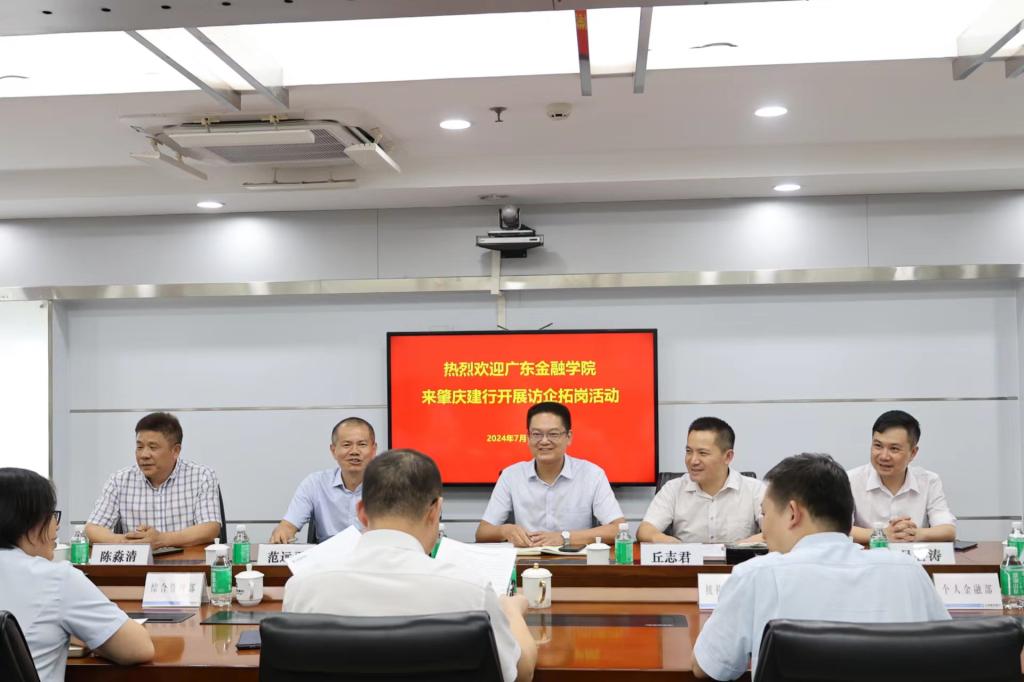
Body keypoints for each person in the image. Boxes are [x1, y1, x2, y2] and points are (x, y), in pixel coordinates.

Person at [283, 449, 536, 682]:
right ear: (435, 511)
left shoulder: (302, 588)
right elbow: (520, 674)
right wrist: (511, 611)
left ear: (362, 513)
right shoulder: (472, 591)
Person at [692, 453, 950, 680]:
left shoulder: (757, 575)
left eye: (765, 513)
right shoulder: (908, 572)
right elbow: (949, 654)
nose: (764, 528)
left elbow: (708, 667)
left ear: (792, 513)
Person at [0, 467, 154, 682]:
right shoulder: (56, 579)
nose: (57, 525)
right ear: (31, 524)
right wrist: (83, 635)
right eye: (51, 515)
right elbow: (138, 648)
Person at [475, 402, 625, 547]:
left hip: (575, 560)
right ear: (528, 437)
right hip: (526, 559)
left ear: (569, 437)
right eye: (536, 434)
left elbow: (618, 529)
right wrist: (505, 531)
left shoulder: (592, 475)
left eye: (553, 434)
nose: (544, 441)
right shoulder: (511, 476)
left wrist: (564, 537)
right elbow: (482, 532)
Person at [85, 412, 221, 548]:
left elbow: (210, 528)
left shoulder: (202, 476)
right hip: (138, 560)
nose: (144, 455)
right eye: (139, 447)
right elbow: (92, 529)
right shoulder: (119, 481)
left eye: (152, 447)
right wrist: (128, 541)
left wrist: (162, 539)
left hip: (186, 560)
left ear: (175, 451)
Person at [637, 417, 764, 544]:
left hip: (739, 557)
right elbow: (645, 531)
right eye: (689, 451)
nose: (693, 461)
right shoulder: (673, 489)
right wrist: (673, 544)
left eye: (703, 453)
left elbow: (773, 532)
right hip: (688, 557)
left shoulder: (754, 489)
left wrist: (736, 547)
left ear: (728, 456)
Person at [848, 410, 956, 544]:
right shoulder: (849, 480)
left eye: (894, 449)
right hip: (868, 556)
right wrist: (882, 534)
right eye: (878, 446)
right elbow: (839, 530)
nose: (884, 456)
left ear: (913, 453)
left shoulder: (929, 481)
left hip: (913, 557)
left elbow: (948, 529)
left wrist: (914, 534)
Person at [269, 417, 378, 544]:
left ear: (373, 449)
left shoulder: (387, 485)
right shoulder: (315, 483)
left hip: (374, 554)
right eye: (347, 445)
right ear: (333, 450)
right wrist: (282, 532)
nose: (354, 451)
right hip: (328, 555)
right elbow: (288, 526)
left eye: (362, 444)